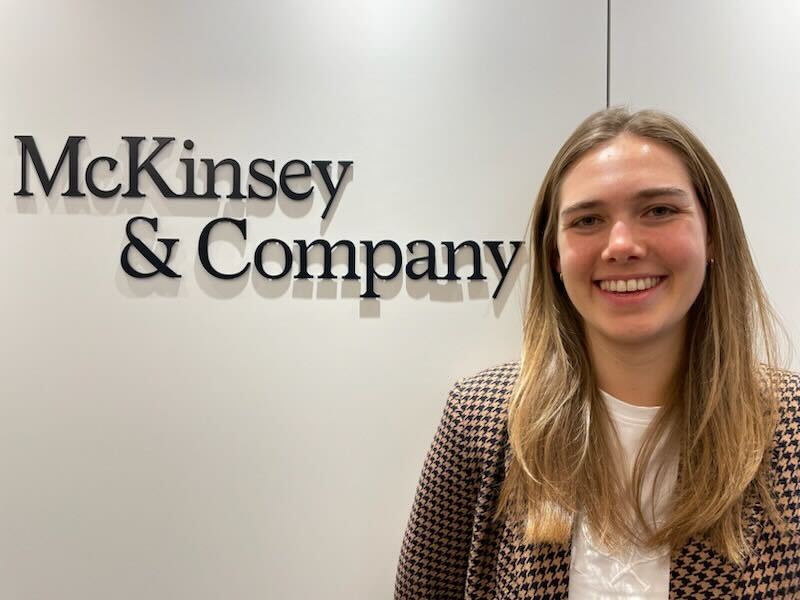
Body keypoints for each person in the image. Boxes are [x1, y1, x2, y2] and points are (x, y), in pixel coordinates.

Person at [394, 107, 799, 598]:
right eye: (587, 220)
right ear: (554, 254)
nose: (621, 245)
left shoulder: (791, 427)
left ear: (712, 233)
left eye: (659, 210)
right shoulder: (479, 419)